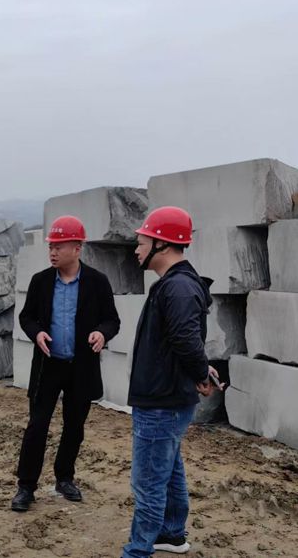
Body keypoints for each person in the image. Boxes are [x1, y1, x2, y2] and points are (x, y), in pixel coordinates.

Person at [122, 206, 224, 557]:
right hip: (166, 396)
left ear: (162, 244)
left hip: (161, 400)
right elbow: (183, 341)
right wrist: (202, 370)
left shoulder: (178, 287)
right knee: (169, 469)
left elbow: (185, 338)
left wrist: (200, 373)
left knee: (148, 481)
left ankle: (138, 551)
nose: (136, 249)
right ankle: (172, 534)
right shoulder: (174, 284)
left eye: (141, 242)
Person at [12, 215, 120, 511]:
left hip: (81, 367)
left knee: (74, 426)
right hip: (48, 366)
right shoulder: (41, 281)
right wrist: (36, 333)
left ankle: (64, 478)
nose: (53, 252)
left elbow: (112, 320)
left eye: (59, 246)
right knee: (37, 426)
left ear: (77, 248)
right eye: (51, 246)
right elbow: (26, 317)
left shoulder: (97, 282)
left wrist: (102, 333)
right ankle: (26, 486)